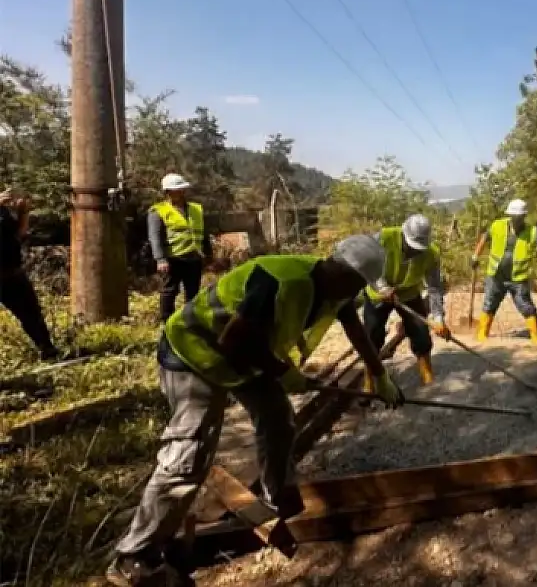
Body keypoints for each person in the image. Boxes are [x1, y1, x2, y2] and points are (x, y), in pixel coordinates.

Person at [105, 235, 404, 586]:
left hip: (243, 359)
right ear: (344, 272)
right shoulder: (280, 281)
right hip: (194, 354)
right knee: (190, 453)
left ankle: (275, 496)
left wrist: (379, 375)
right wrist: (284, 372)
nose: (357, 292)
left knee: (278, 418)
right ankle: (133, 557)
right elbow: (234, 339)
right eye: (358, 284)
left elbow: (354, 328)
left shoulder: (334, 288)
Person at [469, 199, 537, 345]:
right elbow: (485, 237)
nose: (515, 219)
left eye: (518, 216)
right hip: (496, 277)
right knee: (489, 304)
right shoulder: (497, 225)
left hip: (517, 279)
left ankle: (536, 340)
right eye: (513, 215)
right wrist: (475, 255)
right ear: (509, 215)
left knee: (526, 306)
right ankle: (482, 337)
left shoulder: (532, 232)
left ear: (524, 216)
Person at [362, 214, 449, 385]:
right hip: (378, 292)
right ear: (403, 234)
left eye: (418, 249)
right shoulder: (383, 238)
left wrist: (439, 319)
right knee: (372, 334)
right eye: (411, 247)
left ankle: (427, 374)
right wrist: (383, 288)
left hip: (408, 292)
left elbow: (434, 287)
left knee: (421, 332)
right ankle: (369, 380)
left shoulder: (431, 254)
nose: (414, 251)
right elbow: (366, 263)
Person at [0, 188, 60, 361]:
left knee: (31, 314)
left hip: (11, 272)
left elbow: (19, 234)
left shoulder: (3, 211)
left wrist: (23, 212)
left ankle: (48, 351)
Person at [148, 173, 212, 322]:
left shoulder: (196, 209)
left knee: (193, 293)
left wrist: (208, 253)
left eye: (182, 189)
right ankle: (167, 323)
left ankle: (190, 322)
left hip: (194, 257)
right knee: (169, 292)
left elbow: (204, 232)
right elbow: (154, 237)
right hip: (172, 259)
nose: (181, 192)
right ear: (168, 192)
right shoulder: (158, 211)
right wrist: (160, 259)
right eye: (177, 189)